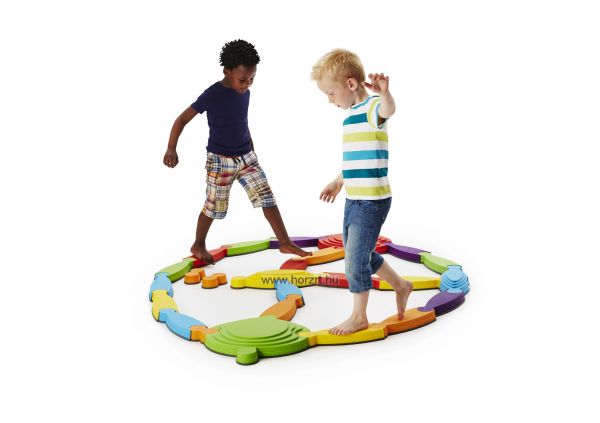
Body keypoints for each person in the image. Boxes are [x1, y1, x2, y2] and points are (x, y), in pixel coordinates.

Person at [163, 39, 310, 264]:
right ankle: (198, 243)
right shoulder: (212, 94)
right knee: (214, 207)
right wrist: (171, 148)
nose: (247, 84)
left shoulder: (245, 93)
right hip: (220, 160)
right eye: (243, 80)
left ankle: (284, 241)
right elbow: (182, 119)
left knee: (267, 197)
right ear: (227, 71)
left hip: (246, 156)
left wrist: (251, 147)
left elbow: (241, 121)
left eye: (252, 79)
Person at [311, 48, 413, 335]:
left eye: (331, 93)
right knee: (359, 253)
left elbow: (388, 110)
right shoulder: (350, 118)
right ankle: (401, 285)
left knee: (355, 260)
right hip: (354, 198)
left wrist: (385, 94)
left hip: (372, 200)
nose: (330, 100)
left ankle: (359, 316)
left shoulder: (372, 108)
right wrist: (339, 180)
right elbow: (358, 158)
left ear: (351, 84)